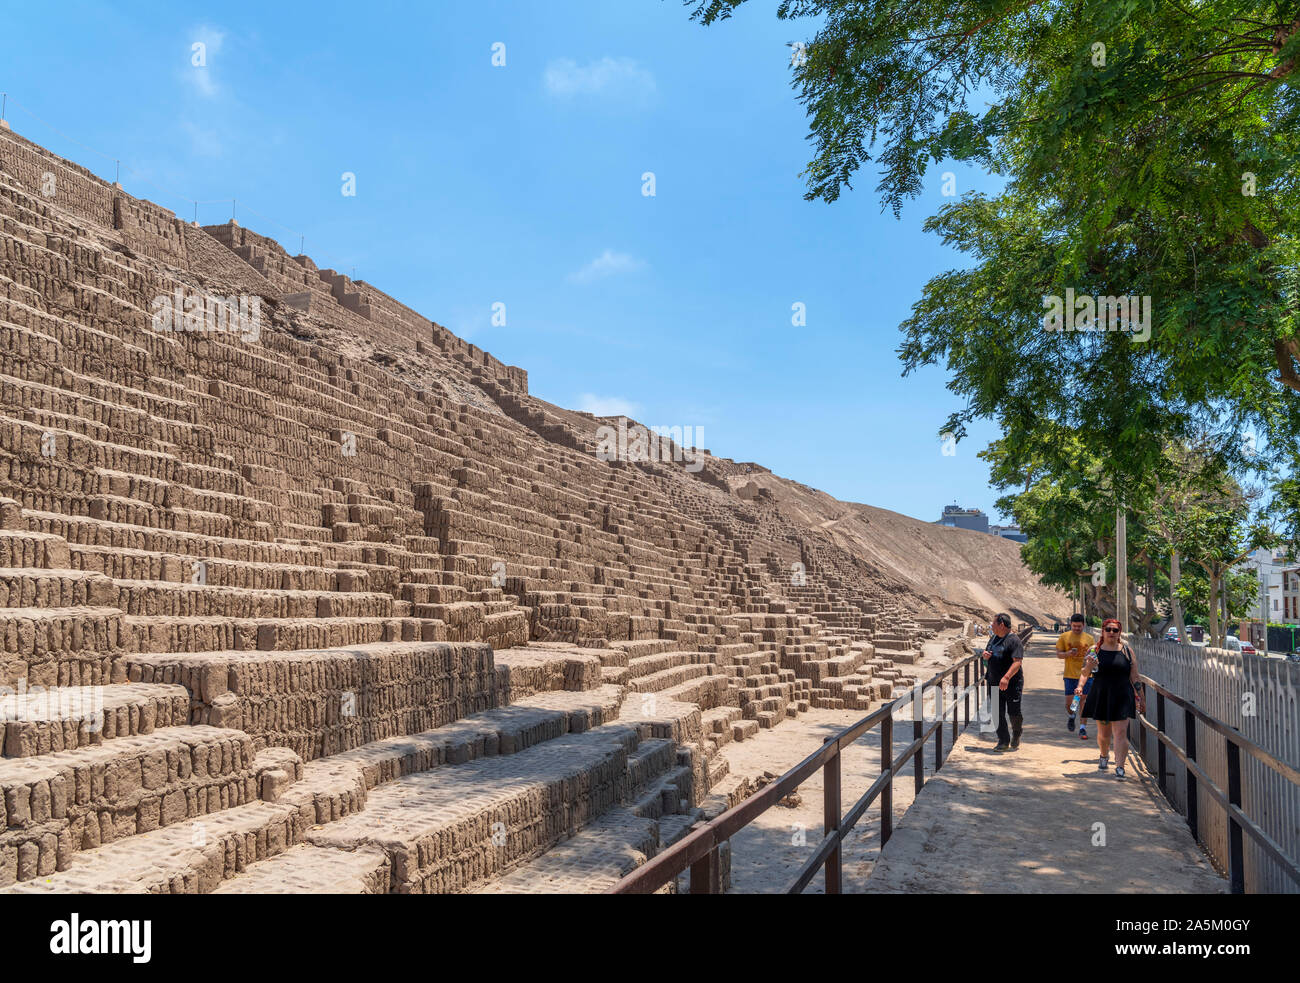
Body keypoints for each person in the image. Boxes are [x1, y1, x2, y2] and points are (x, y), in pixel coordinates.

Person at [1075, 618, 1144, 780]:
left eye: (1115, 630)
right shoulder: (1095, 650)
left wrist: (1141, 698)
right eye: (1108, 629)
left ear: (1120, 633)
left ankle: (1120, 766)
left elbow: (1135, 677)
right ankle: (1104, 755)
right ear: (1103, 631)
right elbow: (1085, 672)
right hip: (1102, 695)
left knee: (1120, 733)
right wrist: (1080, 686)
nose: (1111, 633)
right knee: (1104, 734)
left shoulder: (1127, 651)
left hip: (1122, 696)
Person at [983, 612, 1025, 752]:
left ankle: (1017, 732)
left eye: (993, 623)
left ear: (1001, 625)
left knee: (1014, 713)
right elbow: (987, 658)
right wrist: (985, 657)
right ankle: (1003, 740)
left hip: (1012, 684)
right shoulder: (993, 638)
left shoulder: (1013, 640)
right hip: (993, 682)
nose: (991, 625)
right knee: (996, 712)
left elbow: (1017, 662)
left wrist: (1006, 677)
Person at [1056, 614, 1095, 737]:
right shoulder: (1064, 637)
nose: (1077, 628)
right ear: (1070, 625)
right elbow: (1058, 654)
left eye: (1079, 626)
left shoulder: (1090, 639)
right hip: (1070, 675)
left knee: (1083, 701)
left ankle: (1082, 728)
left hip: (1086, 675)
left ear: (1083, 625)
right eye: (1074, 626)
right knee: (1071, 704)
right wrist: (1067, 653)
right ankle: (1072, 715)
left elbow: (1094, 654)